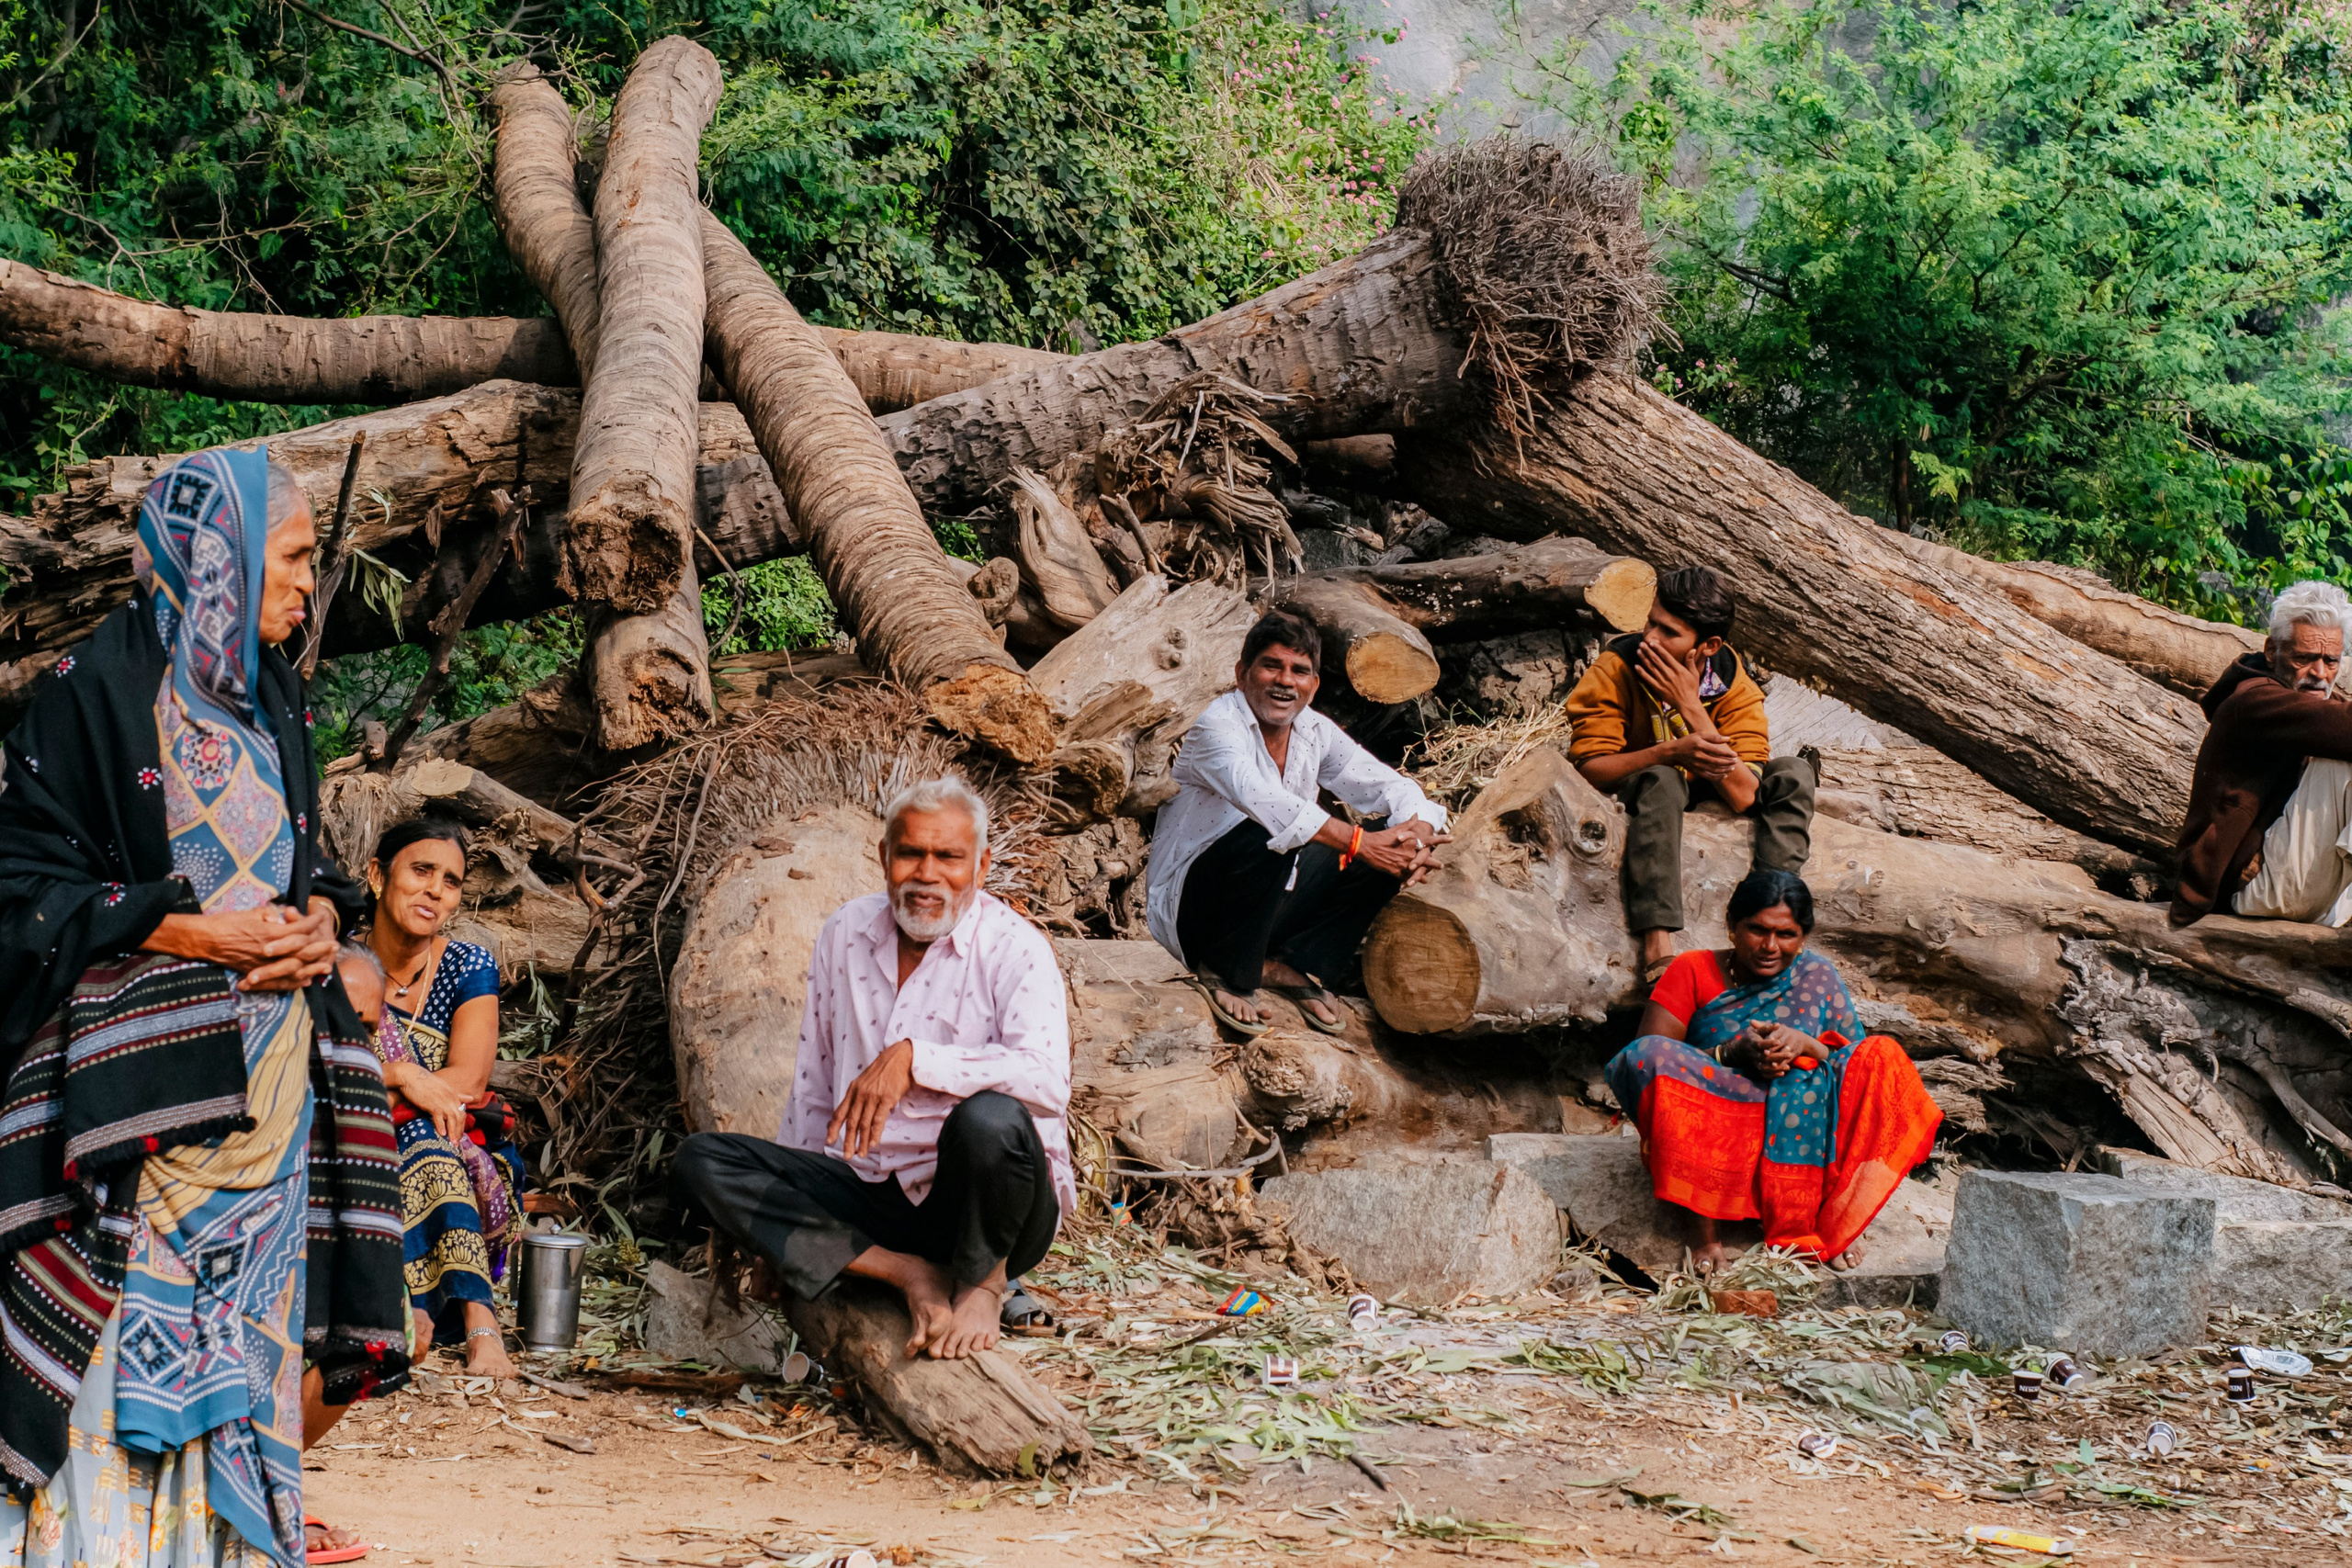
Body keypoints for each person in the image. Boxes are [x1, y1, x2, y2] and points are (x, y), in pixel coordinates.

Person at [0, 448, 409, 1567]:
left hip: (267, 1119)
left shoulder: (273, 697)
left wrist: (324, 923)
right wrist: (189, 932)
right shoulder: (92, 695)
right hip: (143, 1124)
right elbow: (19, 890)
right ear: (216, 560)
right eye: (291, 558)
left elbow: (304, 871)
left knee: (249, 1349)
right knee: (121, 1341)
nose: (305, 583)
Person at [673, 778, 1069, 1359]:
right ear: (884, 857)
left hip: (988, 1208)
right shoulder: (845, 934)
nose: (926, 873)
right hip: (873, 1193)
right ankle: (905, 1273)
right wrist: (777, 1242)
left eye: (949, 857)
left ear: (981, 866)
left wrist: (916, 1059)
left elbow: (1046, 1083)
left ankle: (986, 1281)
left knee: (991, 1120)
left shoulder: (1016, 949)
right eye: (911, 853)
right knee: (700, 1161)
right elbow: (814, 1079)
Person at [1603, 870, 1941, 1273]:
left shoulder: (1817, 976)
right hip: (1721, 1110)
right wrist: (1732, 1052)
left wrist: (1804, 1045)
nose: (1770, 946)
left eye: (1786, 934)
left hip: (1805, 1118)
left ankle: (1838, 1221)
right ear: (1731, 927)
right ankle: (1703, 1235)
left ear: (1804, 937)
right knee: (1651, 1056)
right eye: (1756, 930)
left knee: (1882, 1056)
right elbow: (1644, 1059)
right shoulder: (1692, 970)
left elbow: (1848, 1063)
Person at [1144, 610, 1450, 1035]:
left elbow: (1387, 786)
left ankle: (1287, 964)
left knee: (1388, 849)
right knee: (1276, 831)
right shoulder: (1216, 725)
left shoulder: (1313, 730)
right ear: (1242, 673)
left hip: (1269, 904)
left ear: (1314, 685)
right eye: (1272, 666)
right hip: (1197, 911)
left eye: (1299, 671)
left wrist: (1416, 835)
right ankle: (1224, 967)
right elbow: (1265, 801)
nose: (1285, 681)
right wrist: (1360, 842)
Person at [1564, 566, 1816, 983]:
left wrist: (1691, 708)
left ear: (1708, 644)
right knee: (1663, 778)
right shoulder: (1617, 668)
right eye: (1651, 622)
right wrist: (1667, 752)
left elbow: (1744, 796)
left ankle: (1767, 913)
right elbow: (1591, 768)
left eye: (1669, 632)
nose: (1650, 638)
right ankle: (1657, 941)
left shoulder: (1731, 679)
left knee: (1793, 773)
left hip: (1715, 788)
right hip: (1646, 790)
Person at [356, 818, 523, 1380]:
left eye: (450, 881)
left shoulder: (467, 966)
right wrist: (401, 1073)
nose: (434, 890)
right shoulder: (341, 967)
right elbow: (317, 1069)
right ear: (379, 876)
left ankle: (478, 1322)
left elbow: (469, 1081)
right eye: (421, 870)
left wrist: (400, 1087)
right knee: (413, 1134)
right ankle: (443, 1319)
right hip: (354, 1132)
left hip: (455, 1140)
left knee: (430, 1138)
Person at [2174, 580, 2352, 927]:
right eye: (2304, 658)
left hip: (2293, 880)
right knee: (2342, 760)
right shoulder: (2253, 701)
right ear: (2272, 652)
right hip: (2248, 887)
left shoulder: (2314, 708)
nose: (2319, 673)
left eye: (2331, 660)